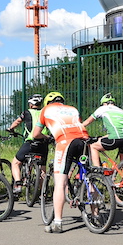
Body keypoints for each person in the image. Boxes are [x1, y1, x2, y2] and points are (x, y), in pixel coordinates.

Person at [30, 91, 88, 233]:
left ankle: (57, 223)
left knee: (60, 183)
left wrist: (47, 137)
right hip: (84, 140)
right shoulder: (73, 109)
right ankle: (97, 214)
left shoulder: (45, 110)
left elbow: (35, 134)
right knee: (89, 177)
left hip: (65, 142)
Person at [7, 94, 51, 195]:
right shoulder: (45, 113)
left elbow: (17, 121)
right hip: (43, 143)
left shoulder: (26, 113)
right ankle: (43, 192)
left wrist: (11, 129)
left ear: (31, 105)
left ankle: (18, 184)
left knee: (16, 163)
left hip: (30, 143)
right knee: (42, 168)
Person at [82, 93, 123, 169]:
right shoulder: (120, 110)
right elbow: (117, 129)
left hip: (116, 137)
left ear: (104, 103)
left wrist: (76, 127)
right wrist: (101, 138)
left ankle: (97, 170)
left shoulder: (102, 109)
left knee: (93, 146)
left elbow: (87, 122)